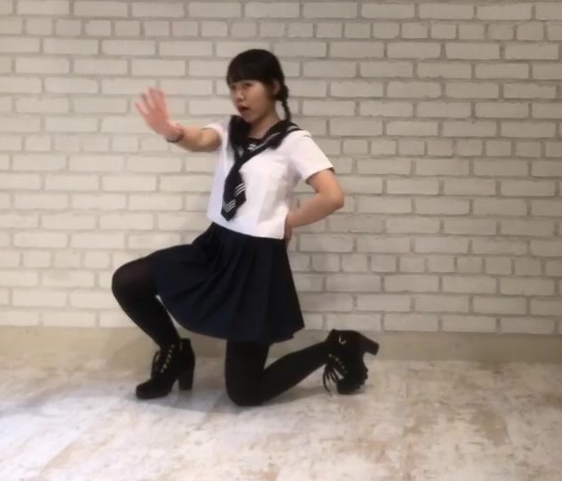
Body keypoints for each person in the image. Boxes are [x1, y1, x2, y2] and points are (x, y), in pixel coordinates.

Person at [111, 48, 379, 406]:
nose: (239, 95)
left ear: (273, 87)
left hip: (256, 264)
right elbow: (198, 139)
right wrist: (170, 131)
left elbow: (332, 196)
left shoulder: (294, 142)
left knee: (245, 392)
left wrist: (285, 221)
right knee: (128, 282)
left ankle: (338, 346)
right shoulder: (229, 129)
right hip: (216, 247)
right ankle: (175, 352)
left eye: (247, 85)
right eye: (233, 87)